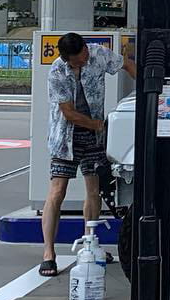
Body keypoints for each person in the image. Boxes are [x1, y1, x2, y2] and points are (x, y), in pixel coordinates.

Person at [41, 31, 136, 276]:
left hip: (94, 138)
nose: (84, 60)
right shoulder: (57, 71)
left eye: (84, 54)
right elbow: (68, 112)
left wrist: (150, 91)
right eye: (79, 60)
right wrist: (99, 125)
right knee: (57, 191)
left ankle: (90, 244)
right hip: (66, 137)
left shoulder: (98, 54)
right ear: (67, 59)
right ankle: (48, 253)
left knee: (94, 190)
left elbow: (126, 64)